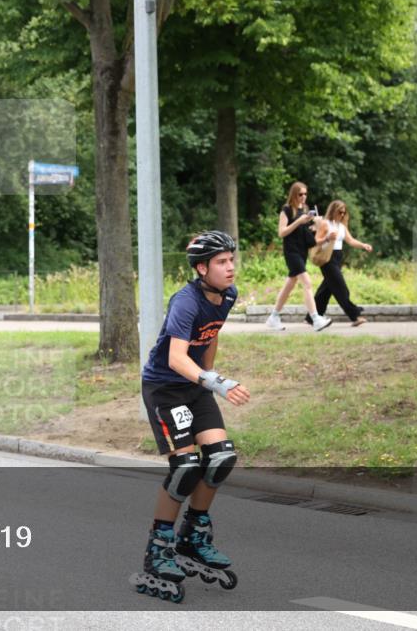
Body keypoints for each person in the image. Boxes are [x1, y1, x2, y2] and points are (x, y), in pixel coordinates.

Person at [131, 231, 247, 603]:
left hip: (195, 386)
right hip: (166, 388)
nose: (230, 268)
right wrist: (217, 381)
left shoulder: (227, 295)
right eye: (221, 262)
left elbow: (210, 334)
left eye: (232, 260)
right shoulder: (185, 301)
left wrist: (208, 382)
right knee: (185, 468)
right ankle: (158, 547)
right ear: (202, 268)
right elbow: (175, 358)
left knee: (221, 458)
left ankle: (194, 536)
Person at [265, 181, 332, 332]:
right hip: (291, 252)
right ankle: (315, 319)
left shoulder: (306, 210)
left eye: (305, 194)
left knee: (289, 285)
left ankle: (274, 316)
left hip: (302, 252)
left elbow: (306, 234)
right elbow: (282, 233)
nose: (303, 197)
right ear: (294, 194)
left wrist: (316, 225)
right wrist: (298, 221)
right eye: (300, 194)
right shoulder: (287, 210)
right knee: (307, 283)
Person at [310, 200, 372, 327]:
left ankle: (311, 317)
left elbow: (350, 240)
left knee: (327, 289)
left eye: (344, 212)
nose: (342, 215)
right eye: (340, 212)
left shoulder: (342, 226)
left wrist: (363, 245)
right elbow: (315, 241)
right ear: (333, 211)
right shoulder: (325, 224)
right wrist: (327, 238)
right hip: (327, 258)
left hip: (338, 258)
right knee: (340, 287)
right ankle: (354, 315)